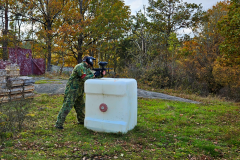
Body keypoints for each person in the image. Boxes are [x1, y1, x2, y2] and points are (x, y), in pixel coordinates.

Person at [55, 56, 105, 129]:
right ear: (88, 60)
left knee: (81, 107)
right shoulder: (80, 67)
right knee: (67, 107)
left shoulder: (87, 69)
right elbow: (84, 78)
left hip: (79, 91)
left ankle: (81, 121)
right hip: (72, 90)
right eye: (91, 61)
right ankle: (59, 124)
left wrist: (101, 74)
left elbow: (92, 77)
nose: (92, 63)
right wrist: (94, 74)